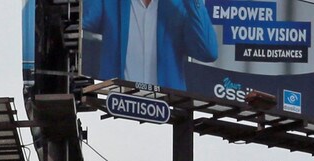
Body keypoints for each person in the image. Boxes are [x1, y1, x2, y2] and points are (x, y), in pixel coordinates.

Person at [80, 0, 220, 95]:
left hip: (168, 115)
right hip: (115, 109)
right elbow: (82, 19)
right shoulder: (112, 3)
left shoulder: (178, 7)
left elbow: (208, 52)